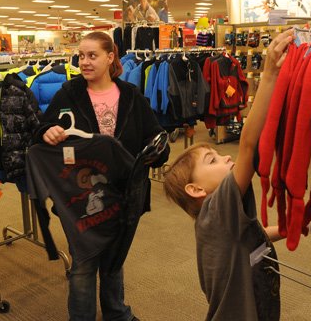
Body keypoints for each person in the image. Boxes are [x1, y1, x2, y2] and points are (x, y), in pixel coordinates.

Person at [35, 31, 170, 321]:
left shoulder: (131, 95)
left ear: (111, 57)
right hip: (80, 197)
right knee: (83, 263)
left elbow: (155, 134)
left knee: (113, 259)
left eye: (92, 55)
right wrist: (47, 132)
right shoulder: (69, 94)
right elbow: (40, 131)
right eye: (81, 56)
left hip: (124, 194)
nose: (84, 62)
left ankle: (116, 313)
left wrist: (157, 151)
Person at [162, 28, 296, 321]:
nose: (225, 156)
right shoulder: (217, 210)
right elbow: (248, 144)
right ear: (197, 190)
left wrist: (289, 229)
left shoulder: (223, 219)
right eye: (212, 160)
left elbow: (255, 238)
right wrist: (270, 73)